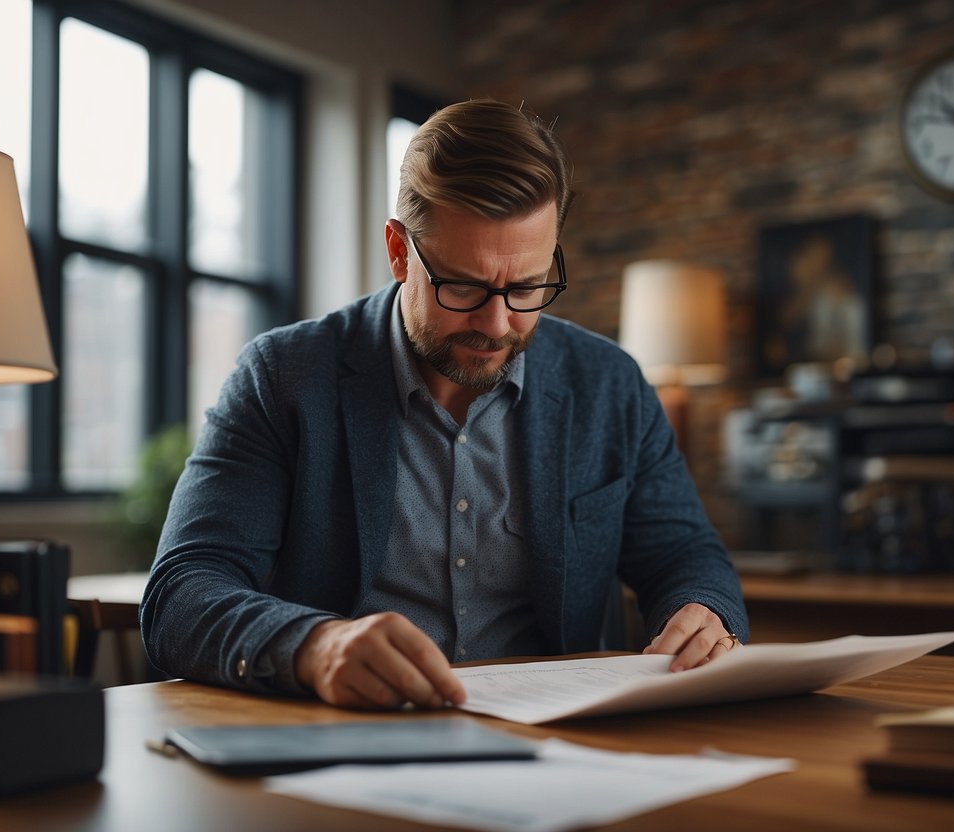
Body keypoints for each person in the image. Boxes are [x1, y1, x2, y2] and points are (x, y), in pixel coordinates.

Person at [141, 99, 747, 710]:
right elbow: (183, 592)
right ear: (399, 251)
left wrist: (703, 610)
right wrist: (316, 648)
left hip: (559, 744)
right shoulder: (284, 376)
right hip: (346, 738)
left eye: (528, 287)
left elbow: (685, 553)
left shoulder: (609, 384)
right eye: (464, 286)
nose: (498, 323)